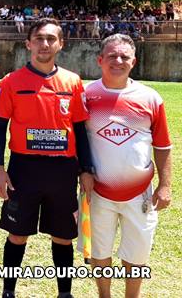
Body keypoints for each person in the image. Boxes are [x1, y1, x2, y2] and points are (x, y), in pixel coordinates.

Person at [0, 18, 94, 298]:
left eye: (51, 39)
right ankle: (8, 291)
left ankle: (65, 293)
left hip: (62, 170)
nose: (44, 44)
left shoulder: (72, 82)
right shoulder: (11, 82)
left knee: (63, 236)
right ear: (28, 44)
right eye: (38, 39)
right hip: (24, 169)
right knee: (17, 234)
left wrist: (86, 169)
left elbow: (80, 130)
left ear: (61, 44)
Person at [81, 34, 172, 298]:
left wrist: (165, 185)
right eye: (112, 56)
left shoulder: (150, 97)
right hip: (97, 192)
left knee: (136, 254)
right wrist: (81, 172)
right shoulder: (86, 96)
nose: (118, 61)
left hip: (140, 193)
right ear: (100, 60)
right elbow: (76, 141)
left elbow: (163, 146)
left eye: (124, 57)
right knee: (99, 251)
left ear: (134, 62)